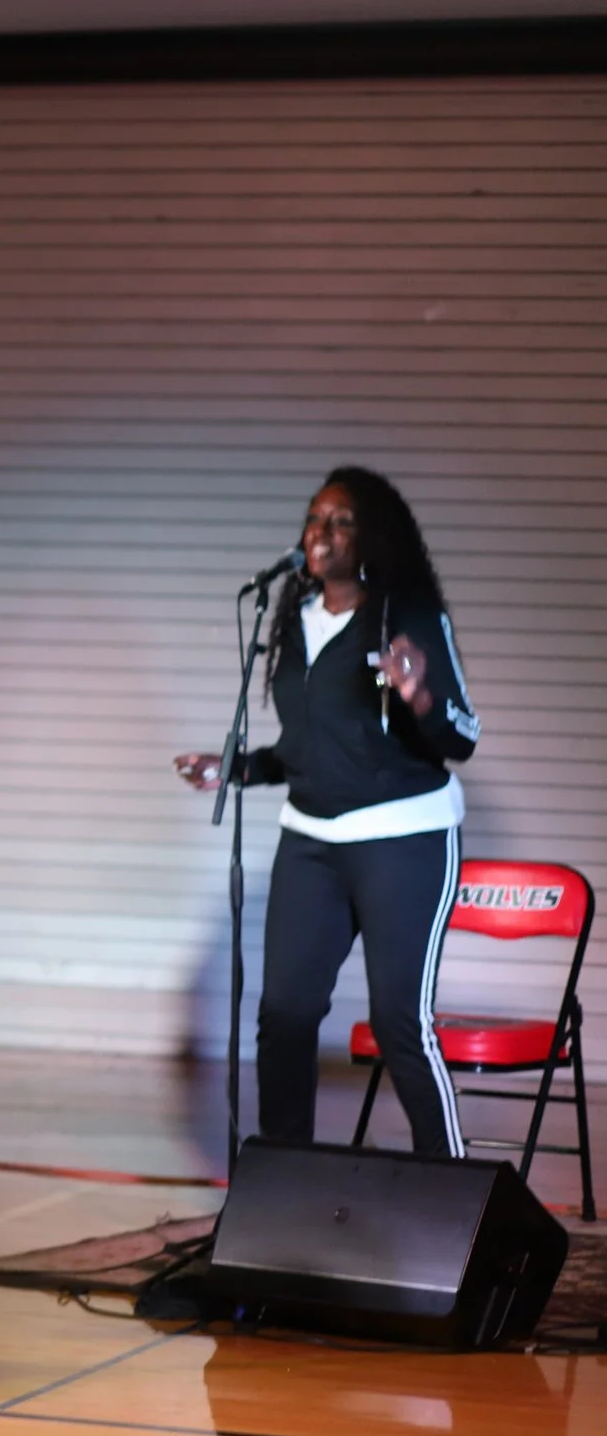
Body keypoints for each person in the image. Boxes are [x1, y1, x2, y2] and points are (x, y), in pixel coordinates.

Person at [174, 467, 479, 1158]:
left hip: (404, 837)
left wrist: (420, 697)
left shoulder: (407, 617)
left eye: (342, 522)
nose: (323, 532)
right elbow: (307, 748)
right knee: (284, 1012)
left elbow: (462, 736)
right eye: (316, 519)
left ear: (371, 537)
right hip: (310, 840)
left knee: (399, 1021)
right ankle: (287, 1183)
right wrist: (235, 768)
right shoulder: (293, 620)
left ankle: (453, 1185)